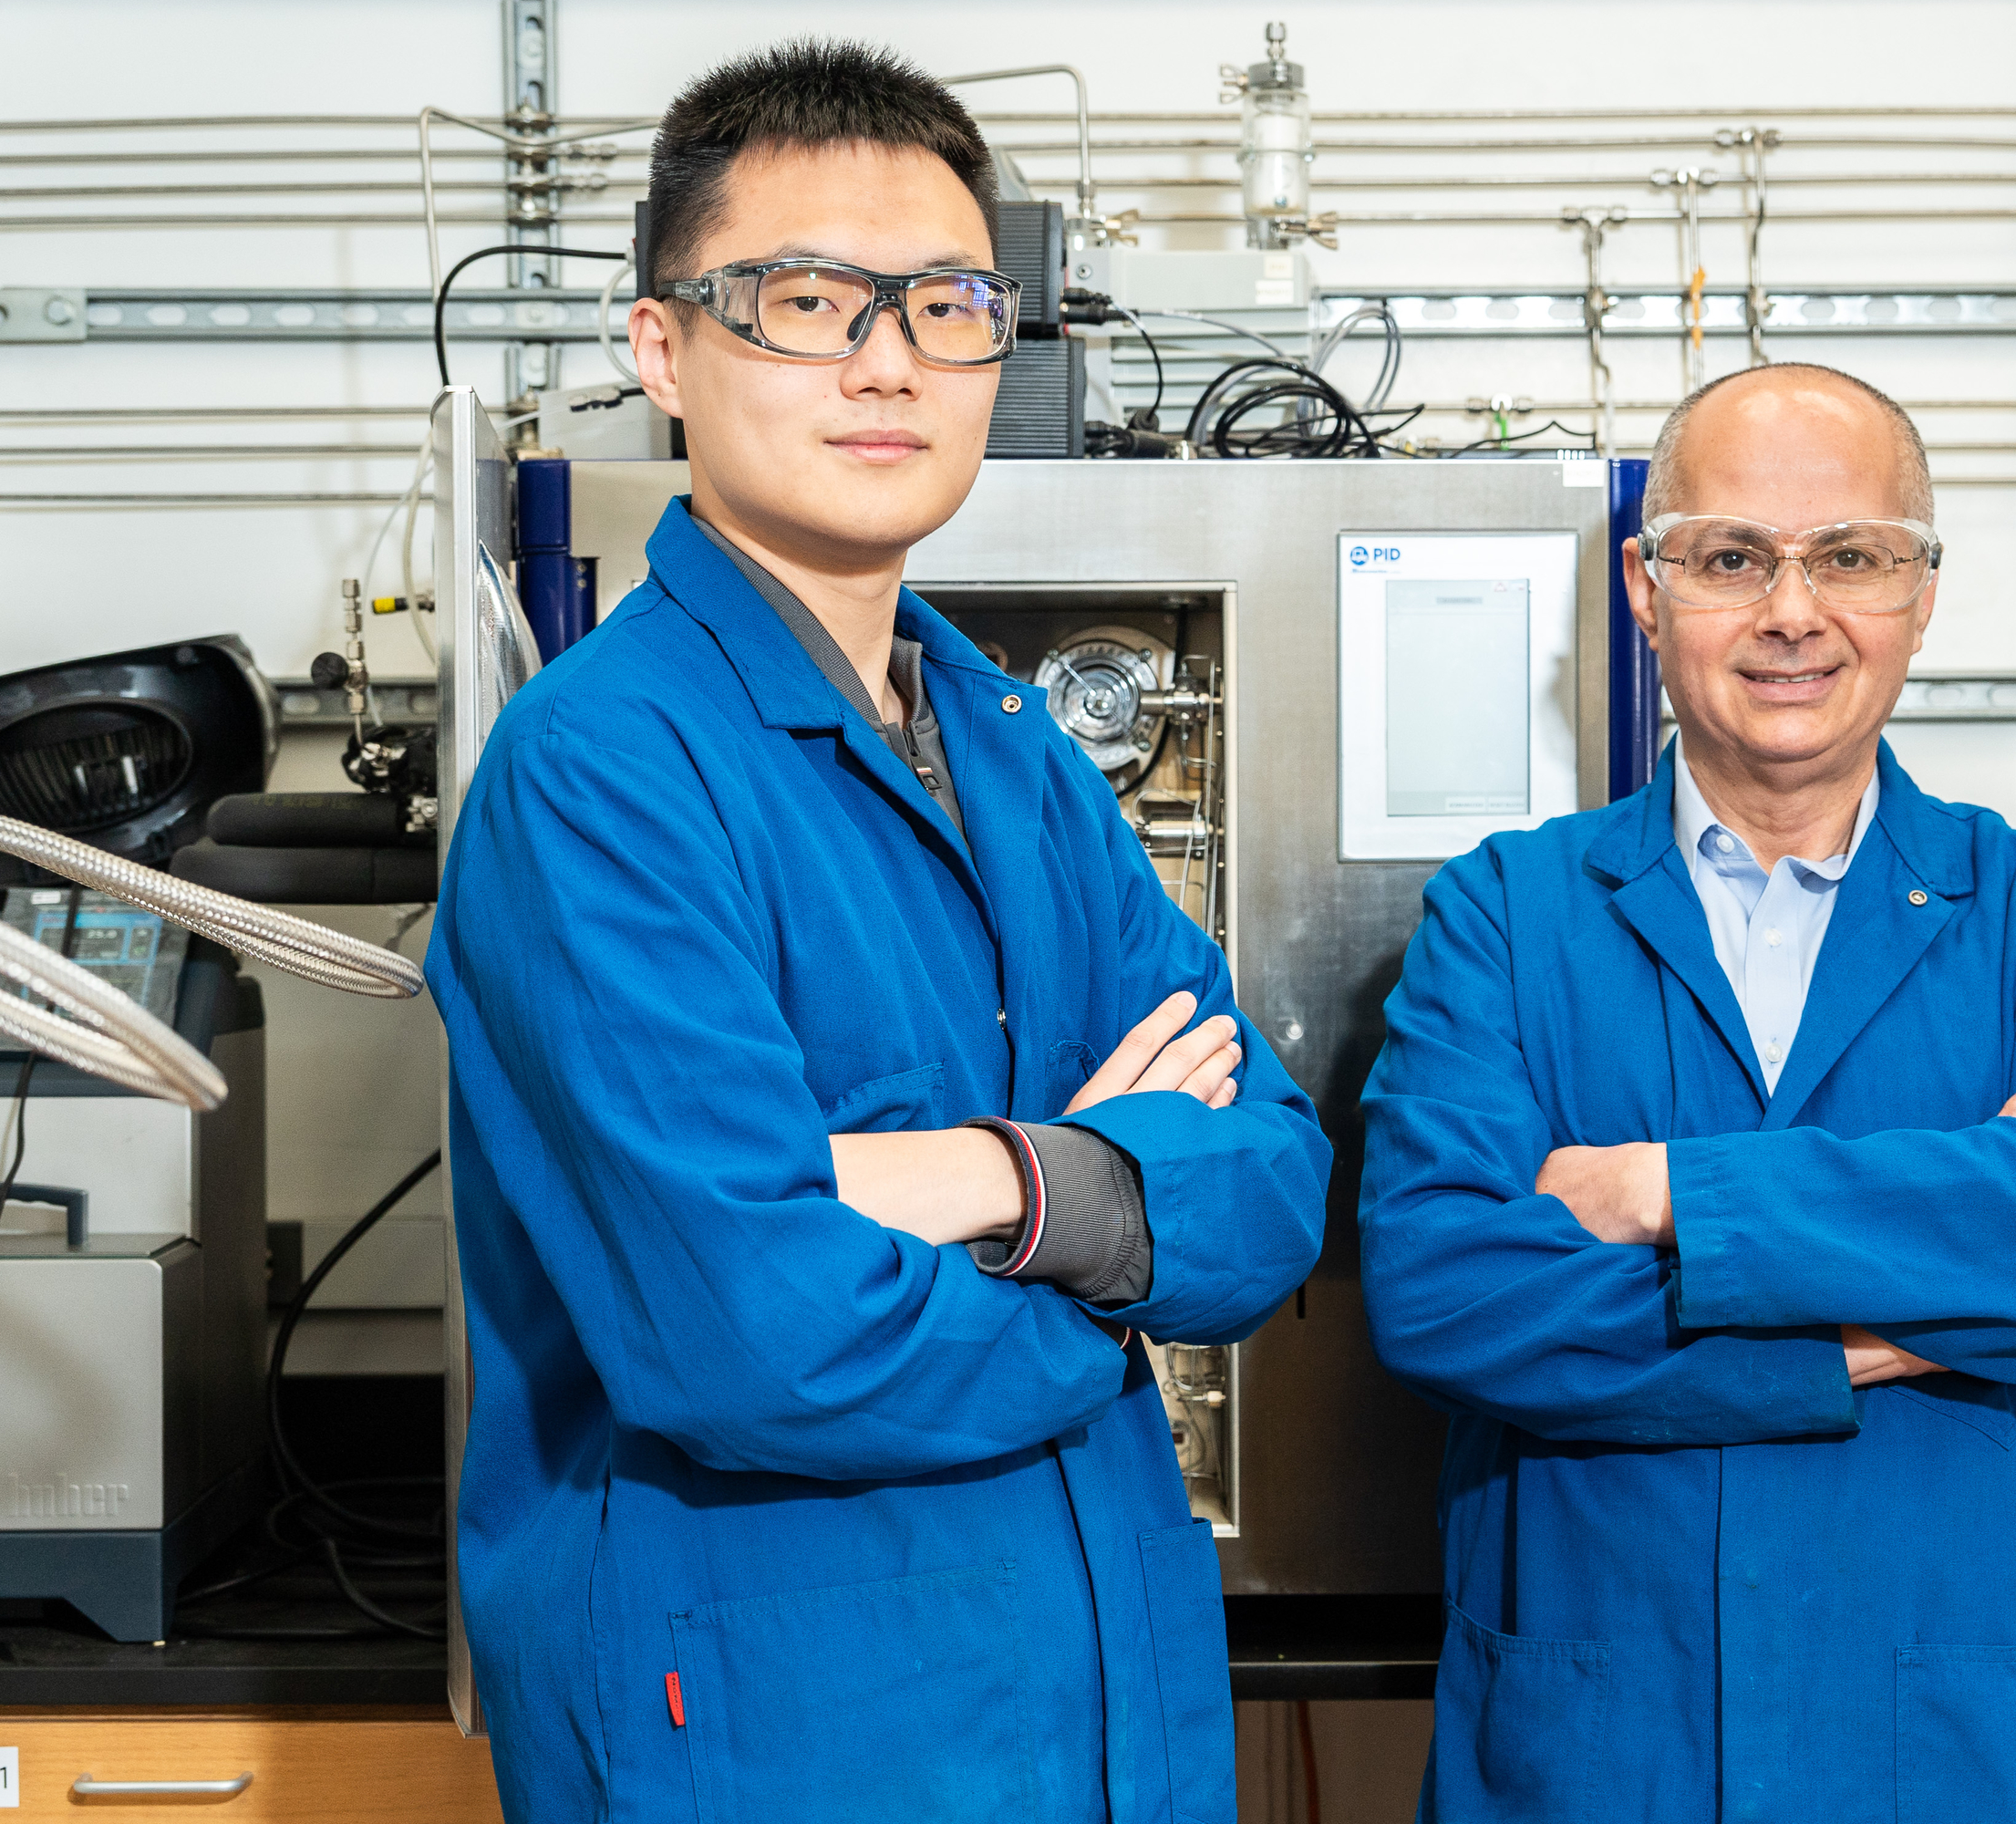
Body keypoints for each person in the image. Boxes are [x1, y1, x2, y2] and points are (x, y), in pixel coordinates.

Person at [428, 41, 1328, 1822]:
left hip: (1110, 1705)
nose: (889, 356)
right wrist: (1114, 1273)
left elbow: (1272, 1182)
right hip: (784, 1731)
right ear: (662, 348)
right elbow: (754, 1333)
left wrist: (979, 1180)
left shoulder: (1012, 755)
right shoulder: (602, 774)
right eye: (806, 298)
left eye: (948, 301)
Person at [1358, 363, 2016, 1822]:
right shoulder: (1503, 915)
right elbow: (1446, 1290)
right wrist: (1890, 1326)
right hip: (1608, 1752)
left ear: (1922, 593)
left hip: (1979, 1757)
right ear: (1645, 585)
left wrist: (1666, 1193)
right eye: (1731, 557)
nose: (1792, 612)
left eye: (1853, 558)